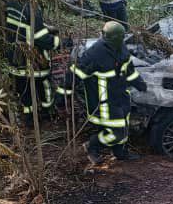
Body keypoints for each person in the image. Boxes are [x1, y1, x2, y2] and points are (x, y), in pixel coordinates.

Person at [60, 21, 146, 164]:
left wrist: (139, 84)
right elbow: (75, 74)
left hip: (121, 97)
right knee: (116, 132)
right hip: (103, 101)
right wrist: (63, 95)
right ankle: (91, 146)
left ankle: (120, 153)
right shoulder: (95, 53)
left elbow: (129, 70)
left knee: (123, 126)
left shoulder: (121, 48)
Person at [3, 0, 64, 122]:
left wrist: (45, 27)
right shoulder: (32, 9)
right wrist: (60, 43)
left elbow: (25, 26)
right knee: (45, 85)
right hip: (32, 61)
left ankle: (29, 118)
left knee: (24, 91)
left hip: (15, 58)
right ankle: (47, 113)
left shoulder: (12, 4)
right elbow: (40, 38)